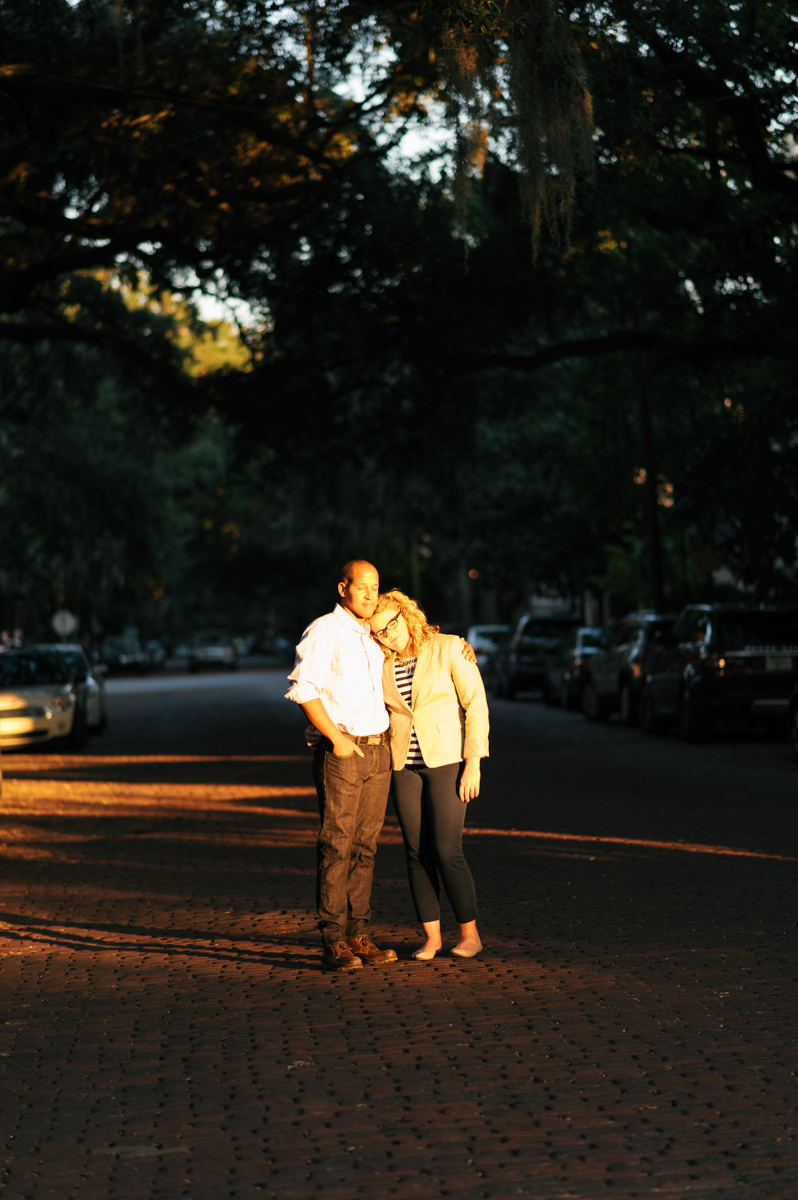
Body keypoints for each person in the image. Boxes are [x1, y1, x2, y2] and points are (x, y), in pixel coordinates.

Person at [285, 560, 399, 973]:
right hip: (343, 756)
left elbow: (416, 640)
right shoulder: (324, 631)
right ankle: (333, 940)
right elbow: (304, 688)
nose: (370, 595)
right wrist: (335, 738)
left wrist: (458, 644)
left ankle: (358, 934)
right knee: (337, 846)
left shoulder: (373, 634)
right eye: (362, 587)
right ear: (343, 587)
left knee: (365, 849)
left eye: (376, 587)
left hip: (379, 752)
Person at [370, 589, 489, 960]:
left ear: (406, 614)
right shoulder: (379, 662)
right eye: (378, 631)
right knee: (415, 852)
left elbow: (476, 705)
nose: (388, 633)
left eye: (391, 623)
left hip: (448, 761)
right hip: (403, 764)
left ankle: (470, 935)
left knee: (447, 850)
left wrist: (474, 762)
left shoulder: (450, 647)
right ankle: (432, 938)